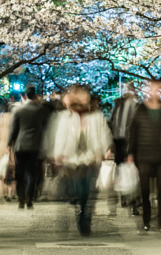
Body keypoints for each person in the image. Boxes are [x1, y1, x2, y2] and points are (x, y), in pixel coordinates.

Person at [47, 84, 113, 236]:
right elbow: (61, 135)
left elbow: (103, 133)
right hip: (72, 159)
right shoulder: (66, 117)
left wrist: (106, 149)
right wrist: (58, 154)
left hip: (90, 158)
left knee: (89, 191)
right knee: (77, 189)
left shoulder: (96, 116)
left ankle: (85, 218)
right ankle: (80, 211)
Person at [127, 78, 161, 233]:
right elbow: (133, 132)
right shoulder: (141, 109)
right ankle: (146, 219)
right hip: (143, 154)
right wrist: (130, 152)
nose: (154, 91)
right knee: (145, 190)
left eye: (158, 89)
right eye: (152, 88)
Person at [8, 84, 48, 209]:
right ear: (34, 95)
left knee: (20, 173)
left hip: (20, 145)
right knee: (31, 173)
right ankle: (29, 199)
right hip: (35, 145)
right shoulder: (40, 109)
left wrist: (9, 143)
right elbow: (44, 125)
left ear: (25, 95)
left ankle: (21, 199)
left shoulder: (18, 109)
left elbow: (13, 128)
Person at [109, 82, 139, 212]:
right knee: (121, 169)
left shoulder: (137, 105)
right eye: (125, 89)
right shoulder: (117, 104)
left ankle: (134, 201)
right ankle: (124, 196)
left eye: (130, 89)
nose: (127, 92)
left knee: (133, 169)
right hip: (119, 141)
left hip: (132, 141)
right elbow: (112, 121)